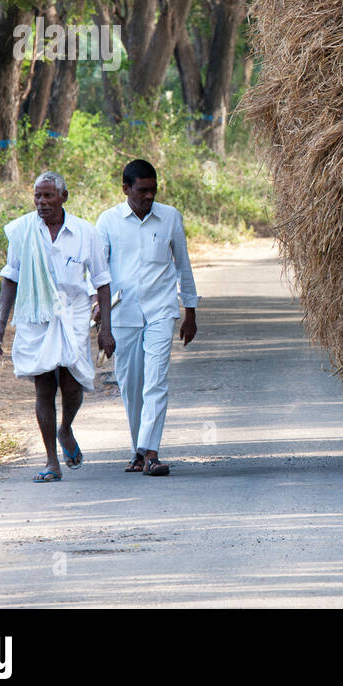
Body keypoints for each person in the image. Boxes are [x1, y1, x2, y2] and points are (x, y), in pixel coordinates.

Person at [0, 171, 115, 483]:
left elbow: (101, 282)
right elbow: (11, 277)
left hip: (73, 314)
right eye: (37, 196)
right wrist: (0, 323)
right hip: (36, 314)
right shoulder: (22, 231)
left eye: (48, 196)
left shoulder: (86, 232)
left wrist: (105, 329)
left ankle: (66, 428)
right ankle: (51, 461)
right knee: (44, 386)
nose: (42, 202)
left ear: (63, 197)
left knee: (72, 386)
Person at [96, 159, 198, 476]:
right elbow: (99, 275)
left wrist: (190, 312)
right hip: (123, 314)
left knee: (155, 382)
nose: (148, 196)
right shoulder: (108, 222)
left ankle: (151, 453)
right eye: (142, 191)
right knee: (131, 385)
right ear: (126, 189)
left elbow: (183, 265)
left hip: (161, 311)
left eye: (153, 190)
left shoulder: (169, 218)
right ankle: (137, 451)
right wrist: (103, 321)